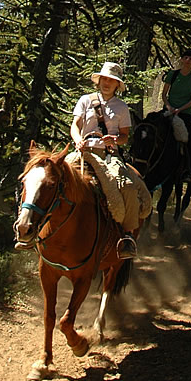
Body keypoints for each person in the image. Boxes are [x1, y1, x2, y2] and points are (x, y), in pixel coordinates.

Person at [70, 61, 142, 259]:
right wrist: (78, 140)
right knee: (52, 178)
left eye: (111, 80)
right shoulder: (85, 100)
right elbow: (75, 124)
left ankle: (127, 236)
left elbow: (125, 136)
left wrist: (115, 139)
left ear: (117, 85)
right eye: (104, 79)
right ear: (99, 80)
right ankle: (37, 229)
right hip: (83, 151)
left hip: (109, 155)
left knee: (126, 186)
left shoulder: (121, 107)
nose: (107, 83)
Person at [162, 48, 191, 183]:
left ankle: (189, 170)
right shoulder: (172, 75)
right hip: (169, 109)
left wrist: (179, 109)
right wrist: (169, 106)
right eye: (185, 57)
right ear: (181, 59)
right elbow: (164, 94)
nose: (187, 60)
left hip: (185, 113)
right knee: (151, 128)